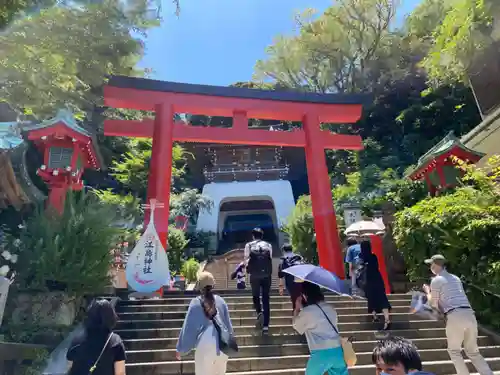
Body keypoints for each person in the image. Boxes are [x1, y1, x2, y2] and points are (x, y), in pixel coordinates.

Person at [423, 254, 493, 375]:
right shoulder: (455, 278)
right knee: (473, 351)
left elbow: (433, 304)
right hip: (469, 314)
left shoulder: (436, 280)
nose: (430, 267)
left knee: (454, 351)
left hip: (455, 314)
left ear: (435, 265)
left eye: (431, 264)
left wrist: (427, 292)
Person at [176, 271, 233, 375]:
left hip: (205, 343)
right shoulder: (221, 301)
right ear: (213, 285)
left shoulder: (196, 302)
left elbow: (189, 328)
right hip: (223, 344)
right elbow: (228, 327)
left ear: (199, 286)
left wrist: (181, 349)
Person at [292, 281, 348, 375]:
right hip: (338, 351)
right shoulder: (330, 308)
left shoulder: (307, 312)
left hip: (320, 353)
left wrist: (297, 309)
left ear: (305, 296)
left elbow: (296, 325)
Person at [66, 299, 126, 375]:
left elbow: (70, 368)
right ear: (111, 317)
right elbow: (120, 373)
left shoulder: (76, 341)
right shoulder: (115, 342)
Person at [244, 227, 273, 333]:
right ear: (262, 235)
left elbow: (246, 260)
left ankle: (259, 312)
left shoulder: (249, 245)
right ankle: (266, 326)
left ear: (253, 236)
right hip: (266, 275)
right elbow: (270, 257)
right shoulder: (268, 245)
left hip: (254, 275)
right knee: (266, 298)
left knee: (255, 296)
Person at [359, 239, 391, 330]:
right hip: (377, 279)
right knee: (382, 298)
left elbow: (358, 268)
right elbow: (377, 267)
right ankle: (387, 319)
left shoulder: (361, 257)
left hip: (368, 281)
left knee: (371, 299)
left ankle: (375, 316)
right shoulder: (374, 256)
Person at [278, 243, 304, 311]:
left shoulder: (283, 259)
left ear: (283, 250)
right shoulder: (298, 257)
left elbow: (281, 274)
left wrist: (281, 287)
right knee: (300, 296)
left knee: (294, 298)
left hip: (290, 282)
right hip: (300, 279)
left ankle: (296, 312)